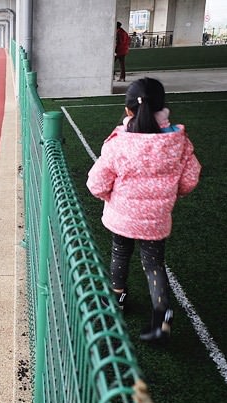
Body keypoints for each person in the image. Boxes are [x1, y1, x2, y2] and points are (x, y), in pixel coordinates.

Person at [86, 78, 201, 342]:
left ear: (128, 110)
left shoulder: (118, 143)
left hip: (121, 218)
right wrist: (171, 194)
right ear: (163, 106)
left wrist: (111, 198)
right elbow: (190, 179)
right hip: (156, 220)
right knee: (153, 265)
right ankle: (162, 318)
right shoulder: (178, 142)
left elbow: (96, 183)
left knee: (120, 255)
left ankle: (120, 300)